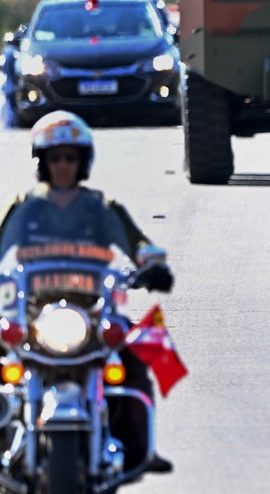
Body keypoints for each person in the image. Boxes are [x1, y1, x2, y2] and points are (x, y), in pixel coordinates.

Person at [0, 110, 175, 474]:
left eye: (70, 157)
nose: (63, 165)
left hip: (93, 311)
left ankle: (141, 447)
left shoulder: (102, 208)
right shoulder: (24, 207)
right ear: (42, 162)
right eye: (55, 158)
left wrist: (150, 262)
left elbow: (139, 244)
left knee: (134, 357)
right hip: (32, 312)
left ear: (83, 162)